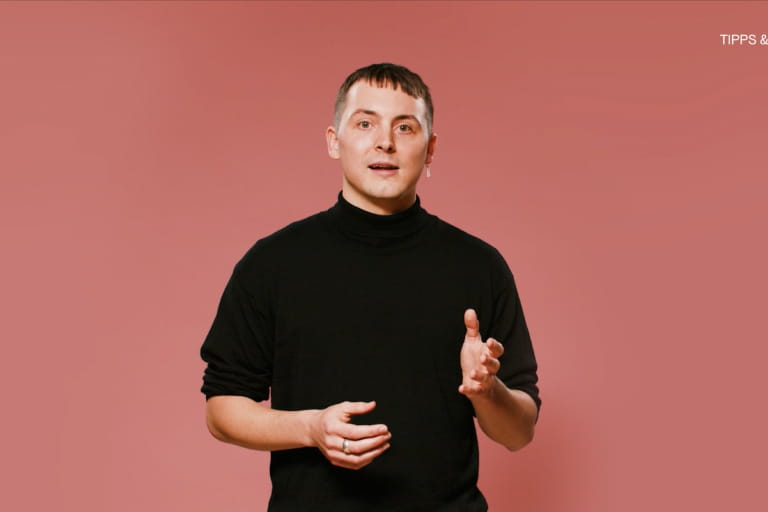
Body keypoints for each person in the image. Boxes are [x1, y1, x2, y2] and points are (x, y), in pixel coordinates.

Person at [200, 63, 540, 511]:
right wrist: (310, 428)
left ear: (430, 149)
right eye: (365, 123)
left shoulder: (479, 266)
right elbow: (221, 410)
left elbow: (519, 433)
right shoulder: (272, 262)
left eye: (405, 127)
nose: (385, 142)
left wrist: (486, 390)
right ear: (333, 141)